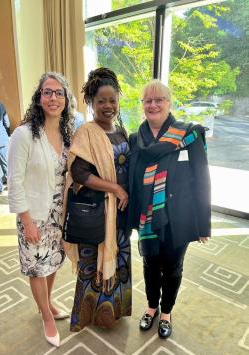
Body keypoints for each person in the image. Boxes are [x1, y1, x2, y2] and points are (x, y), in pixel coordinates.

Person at [128, 80, 211, 339]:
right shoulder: (135, 139)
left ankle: (166, 312)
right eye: (148, 100)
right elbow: (129, 180)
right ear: (142, 106)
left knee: (173, 266)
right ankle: (152, 307)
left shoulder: (189, 135)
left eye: (159, 99)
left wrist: (203, 223)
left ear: (169, 103)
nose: (153, 105)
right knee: (150, 264)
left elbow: (202, 179)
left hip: (180, 217)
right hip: (147, 218)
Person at [7, 72, 75, 347]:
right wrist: (26, 221)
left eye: (59, 93)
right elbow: (14, 181)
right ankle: (46, 315)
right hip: (33, 214)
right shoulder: (23, 135)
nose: (53, 98)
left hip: (59, 214)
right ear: (38, 98)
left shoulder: (66, 133)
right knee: (37, 267)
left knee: (53, 262)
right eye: (47, 92)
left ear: (66, 100)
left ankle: (44, 303)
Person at [63, 67, 131, 332]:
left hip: (120, 213)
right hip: (96, 213)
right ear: (91, 103)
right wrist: (114, 188)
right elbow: (78, 173)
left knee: (119, 259)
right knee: (91, 265)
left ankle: (112, 311)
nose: (107, 106)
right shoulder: (87, 133)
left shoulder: (121, 129)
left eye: (112, 100)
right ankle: (87, 315)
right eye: (101, 100)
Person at [0, 102, 10, 193]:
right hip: (2, 139)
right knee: (6, 163)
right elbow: (7, 124)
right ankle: (11, 185)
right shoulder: (1, 105)